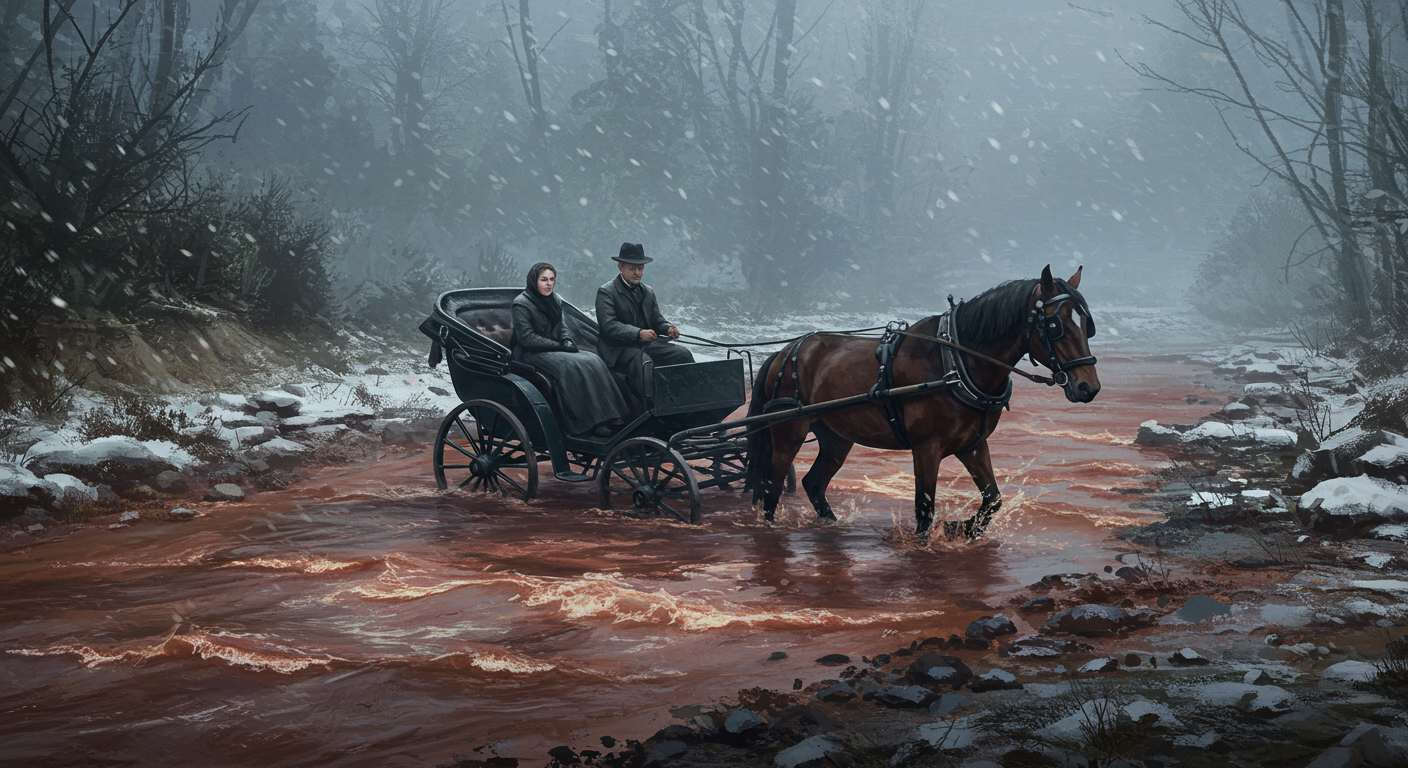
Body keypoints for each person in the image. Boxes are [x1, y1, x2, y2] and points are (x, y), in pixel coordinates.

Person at [511, 262, 630, 438]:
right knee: (569, 367)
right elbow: (527, 338)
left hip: (554, 349)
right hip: (530, 353)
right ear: (533, 281)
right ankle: (588, 422)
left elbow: (562, 327)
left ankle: (613, 415)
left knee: (593, 360)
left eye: (552, 279)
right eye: (544, 280)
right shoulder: (521, 304)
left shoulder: (555, 300)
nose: (549, 284)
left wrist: (566, 340)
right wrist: (559, 346)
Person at [595, 242, 694, 410]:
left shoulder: (648, 291)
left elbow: (657, 320)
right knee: (644, 364)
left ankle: (689, 402)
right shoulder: (606, 292)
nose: (638, 273)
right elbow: (609, 326)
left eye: (640, 268)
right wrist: (638, 333)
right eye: (633, 269)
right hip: (618, 350)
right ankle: (650, 410)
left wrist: (667, 328)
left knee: (682, 354)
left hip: (646, 345)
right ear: (621, 267)